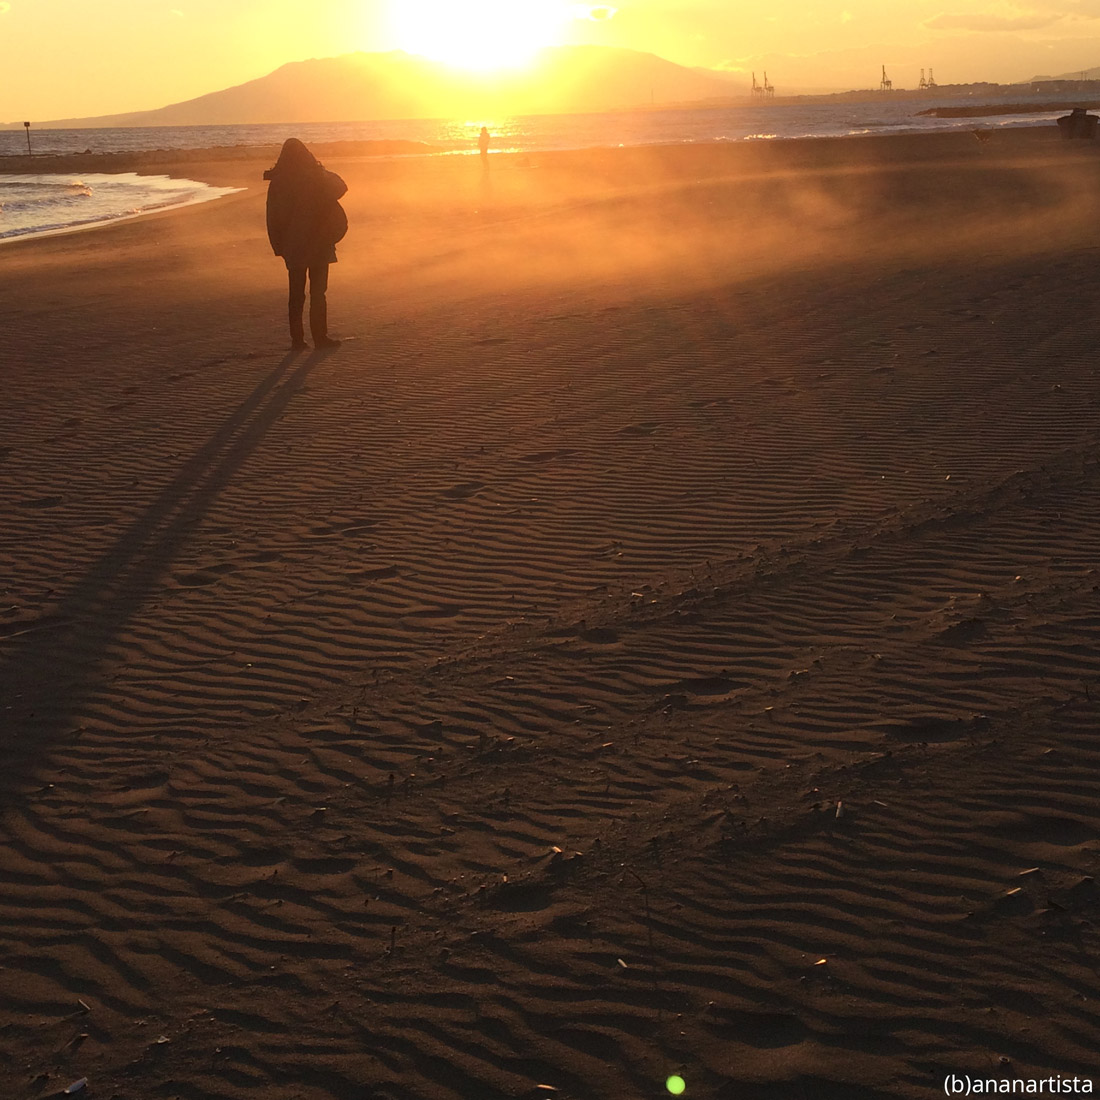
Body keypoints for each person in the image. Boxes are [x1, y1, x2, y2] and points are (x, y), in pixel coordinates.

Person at [265, 138, 347, 350]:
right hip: (320, 242)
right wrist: (320, 169)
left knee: (296, 295)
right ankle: (320, 337)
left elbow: (273, 217)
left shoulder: (278, 182)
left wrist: (278, 246)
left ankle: (297, 340)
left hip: (294, 246)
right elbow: (341, 186)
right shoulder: (317, 177)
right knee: (318, 293)